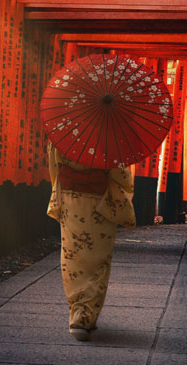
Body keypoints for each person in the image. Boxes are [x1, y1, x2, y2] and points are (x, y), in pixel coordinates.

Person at [46, 145, 137, 340]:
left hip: (71, 200)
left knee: (73, 256)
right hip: (100, 201)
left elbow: (54, 166)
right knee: (98, 259)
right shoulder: (109, 135)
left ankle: (77, 311)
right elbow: (120, 174)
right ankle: (87, 316)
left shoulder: (63, 132)